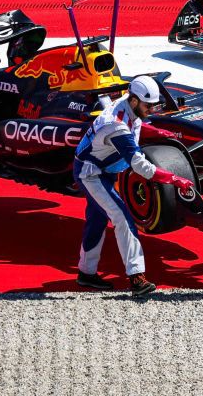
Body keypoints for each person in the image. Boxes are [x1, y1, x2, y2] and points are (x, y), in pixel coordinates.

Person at [73, 75, 194, 296]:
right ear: (135, 100)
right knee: (123, 218)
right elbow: (140, 166)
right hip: (91, 174)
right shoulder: (116, 125)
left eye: (154, 105)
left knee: (97, 219)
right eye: (149, 106)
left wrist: (159, 133)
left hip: (101, 170)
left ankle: (86, 273)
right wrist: (175, 179)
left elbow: (136, 126)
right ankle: (137, 277)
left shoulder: (128, 104)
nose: (152, 110)